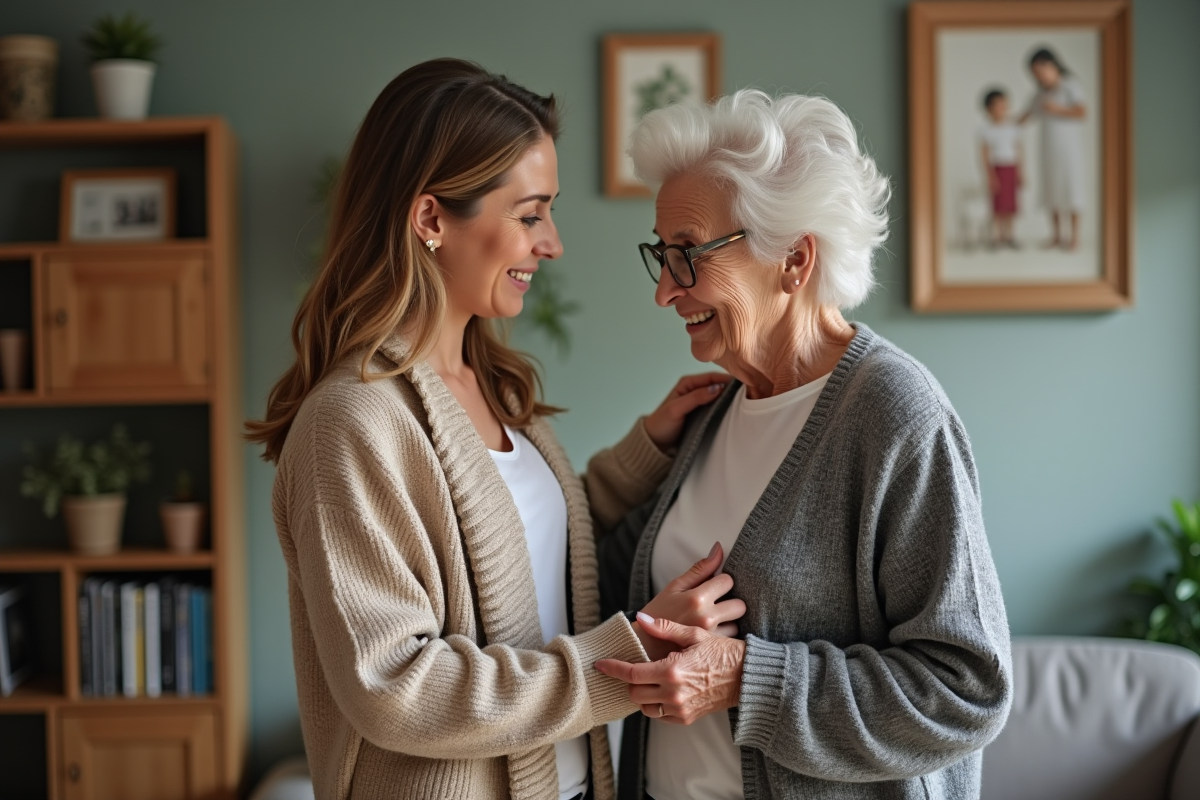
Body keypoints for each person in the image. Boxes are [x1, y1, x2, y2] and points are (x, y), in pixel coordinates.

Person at [245, 58, 744, 800]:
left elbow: (521, 559)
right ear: (430, 220)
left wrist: (650, 449)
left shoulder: (489, 386)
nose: (552, 243)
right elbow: (396, 685)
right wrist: (626, 650)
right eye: (530, 213)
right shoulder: (351, 422)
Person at [593, 90, 1013, 800]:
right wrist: (640, 458)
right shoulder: (709, 414)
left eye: (689, 254)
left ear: (793, 259)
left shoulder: (893, 414)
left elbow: (965, 689)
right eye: (661, 256)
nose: (665, 290)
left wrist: (745, 678)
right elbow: (595, 583)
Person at [1018, 47, 1087, 250]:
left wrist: (1057, 109)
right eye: (1034, 74)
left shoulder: (1070, 86)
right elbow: (1024, 117)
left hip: (1069, 148)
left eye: (1040, 71)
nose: (1038, 77)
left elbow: (1082, 112)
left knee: (1072, 189)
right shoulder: (1039, 94)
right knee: (1052, 189)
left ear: (1052, 65)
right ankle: (1057, 235)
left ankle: (1074, 237)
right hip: (1048, 147)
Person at [979, 87, 1023, 248]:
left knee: (1011, 205)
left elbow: (1018, 150)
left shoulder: (1012, 128)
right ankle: (996, 236)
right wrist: (990, 176)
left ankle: (1010, 235)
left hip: (1011, 168)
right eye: (998, 106)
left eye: (1005, 105)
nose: (1002, 110)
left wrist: (1020, 172)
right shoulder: (986, 130)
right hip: (997, 169)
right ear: (989, 108)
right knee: (997, 205)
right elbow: (984, 154)